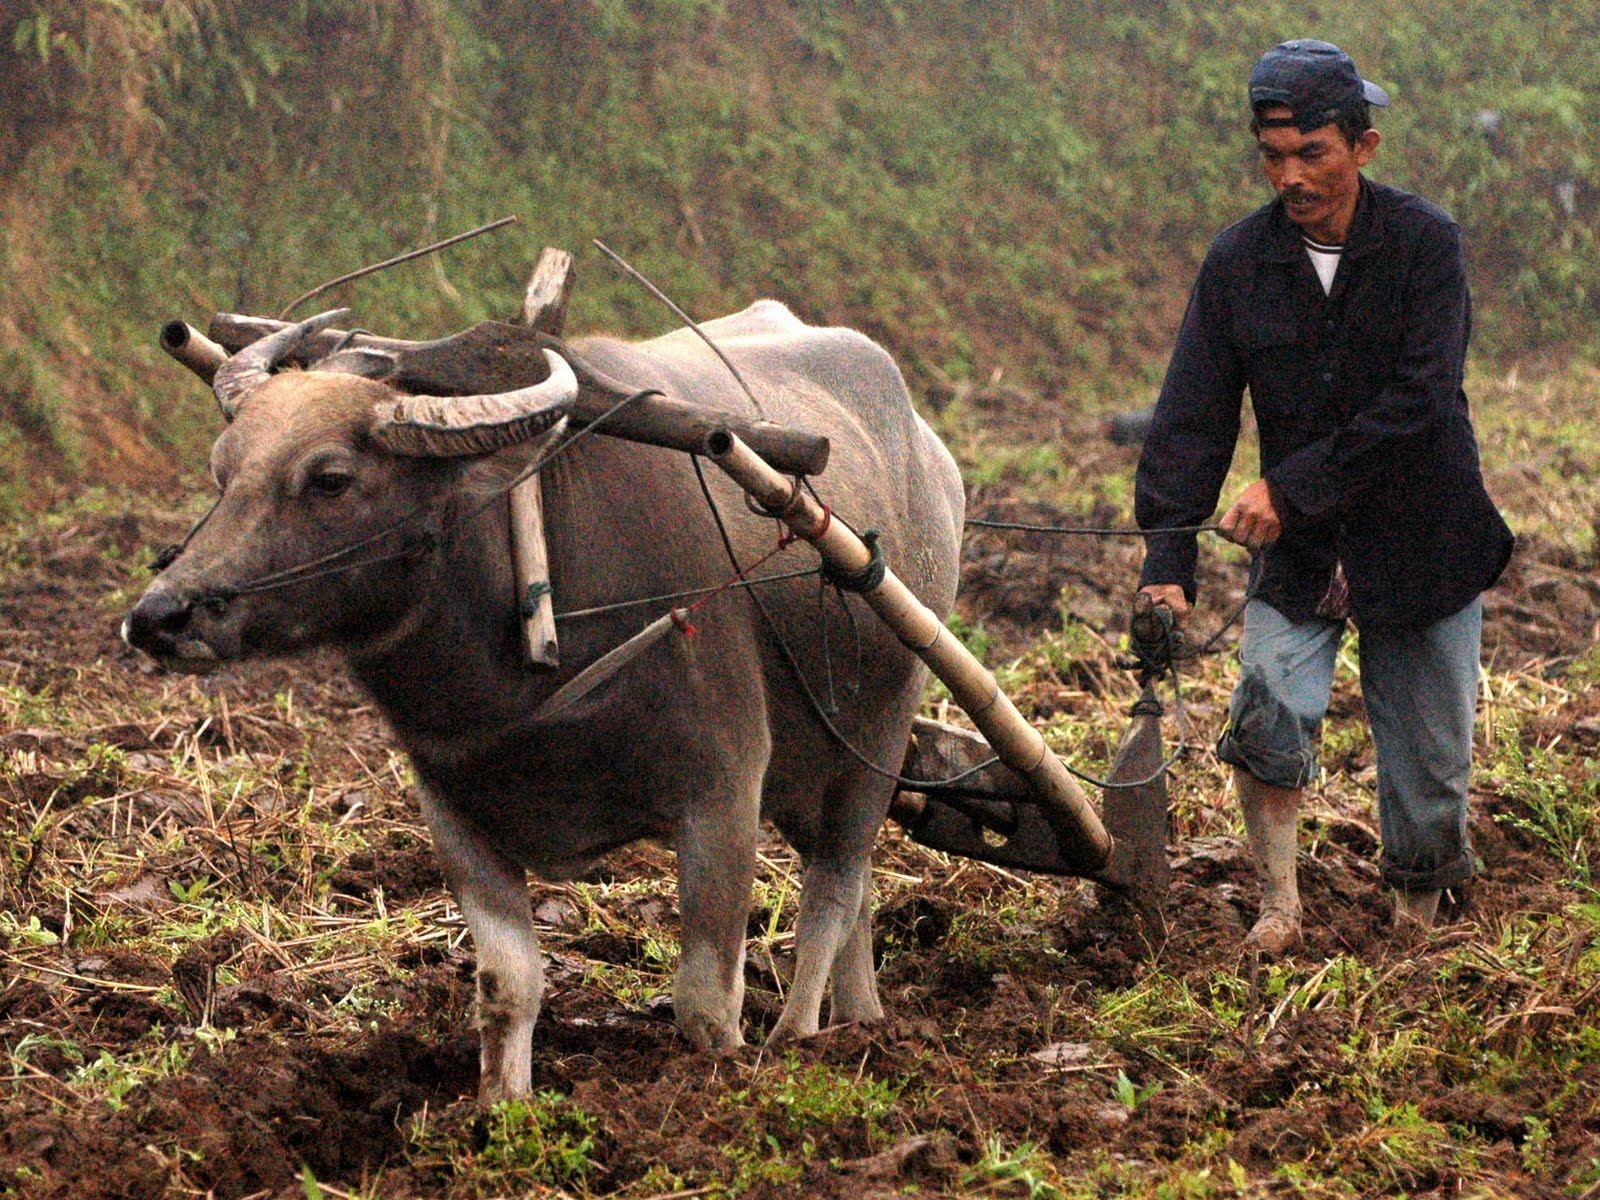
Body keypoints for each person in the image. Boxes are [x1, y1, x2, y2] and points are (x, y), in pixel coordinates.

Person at [1134, 39, 1514, 955]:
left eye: (1313, 153)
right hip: (1303, 552)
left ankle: (1414, 922)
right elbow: (1193, 415)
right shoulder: (1239, 262)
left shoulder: (1425, 245)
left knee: (1429, 769)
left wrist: (1289, 489)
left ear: (1364, 147)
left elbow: (1420, 403)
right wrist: (1167, 561)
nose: (1291, 175)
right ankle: (1280, 907)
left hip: (1424, 533)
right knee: (1265, 704)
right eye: (1274, 155)